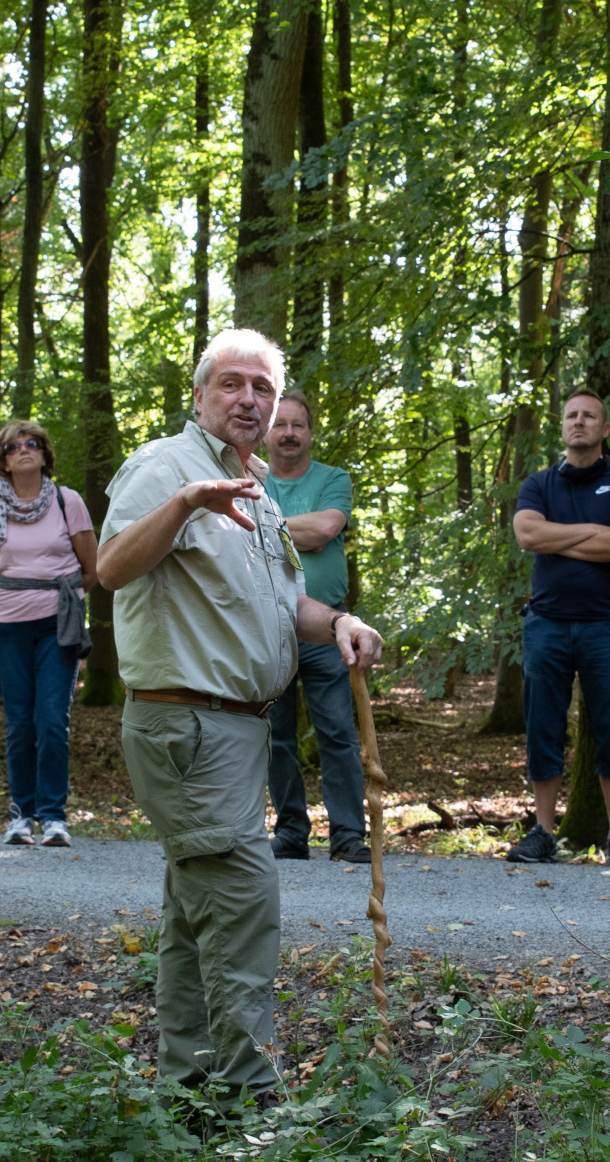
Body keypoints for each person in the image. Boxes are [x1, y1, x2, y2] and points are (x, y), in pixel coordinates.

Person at [96, 327, 382, 1105]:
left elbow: (283, 604)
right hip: (186, 725)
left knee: (197, 919)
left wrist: (339, 622)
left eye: (263, 386)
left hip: (237, 730)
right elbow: (111, 567)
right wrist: (185, 504)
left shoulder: (255, 484)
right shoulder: (166, 467)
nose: (249, 399)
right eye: (232, 383)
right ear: (199, 396)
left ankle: (188, 1093)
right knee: (243, 905)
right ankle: (249, 1098)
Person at [507, 388, 610, 868]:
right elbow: (527, 534)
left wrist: (557, 538)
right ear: (563, 426)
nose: (579, 422)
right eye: (572, 415)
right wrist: (595, 531)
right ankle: (543, 832)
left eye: (590, 415)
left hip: (606, 626)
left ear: (605, 429)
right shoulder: (538, 484)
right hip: (546, 624)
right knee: (542, 726)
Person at [0, 421, 97, 848]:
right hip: (7, 627)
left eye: (32, 443)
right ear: (3, 461)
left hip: (57, 625)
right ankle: (22, 816)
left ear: (44, 453)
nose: (23, 449)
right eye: (12, 446)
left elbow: (92, 568)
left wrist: (63, 600)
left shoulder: (67, 501)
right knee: (20, 724)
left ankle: (54, 817)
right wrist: (11, 599)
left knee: (52, 721)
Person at [261, 391, 369, 864]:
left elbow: (326, 528)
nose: (288, 433)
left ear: (310, 432)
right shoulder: (249, 478)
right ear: (266, 432)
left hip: (329, 626)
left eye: (298, 425)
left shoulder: (333, 478)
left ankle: (348, 835)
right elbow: (234, 537)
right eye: (280, 424)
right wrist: (296, 532)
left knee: (338, 731)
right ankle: (290, 832)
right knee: (275, 734)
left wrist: (265, 527)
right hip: (266, 626)